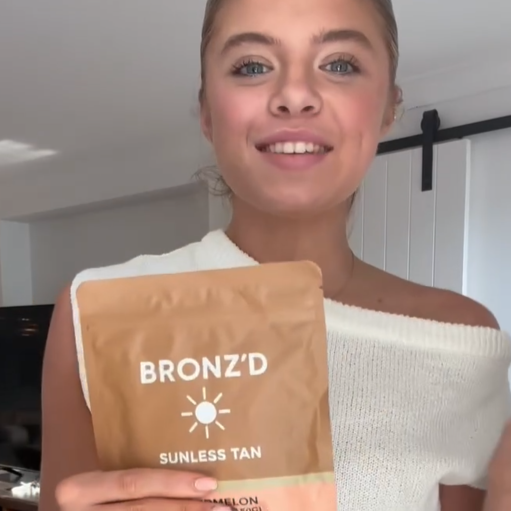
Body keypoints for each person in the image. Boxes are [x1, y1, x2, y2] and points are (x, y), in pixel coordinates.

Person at [39, 0, 511, 510]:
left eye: (340, 64)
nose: (295, 96)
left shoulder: (459, 338)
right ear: (207, 112)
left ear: (388, 108)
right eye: (252, 67)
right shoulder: (99, 311)